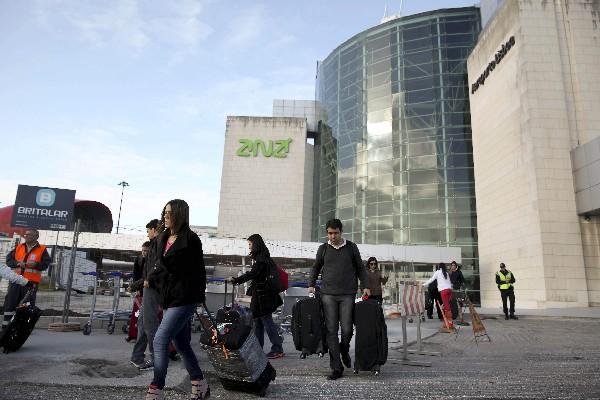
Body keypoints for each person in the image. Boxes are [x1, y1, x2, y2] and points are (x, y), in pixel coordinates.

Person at [144, 200, 208, 400]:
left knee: (160, 339)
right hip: (169, 297)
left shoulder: (190, 239)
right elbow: (155, 265)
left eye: (170, 213)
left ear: (180, 214)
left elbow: (196, 271)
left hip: (185, 298)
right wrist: (146, 280)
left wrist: (199, 297)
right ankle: (199, 384)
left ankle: (157, 388)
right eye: (165, 212)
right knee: (181, 344)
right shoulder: (162, 238)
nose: (166, 216)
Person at [308, 218, 369, 380]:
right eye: (329, 233)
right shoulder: (323, 249)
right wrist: (311, 284)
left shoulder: (351, 247)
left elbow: (360, 268)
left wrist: (366, 286)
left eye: (335, 233)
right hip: (328, 294)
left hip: (348, 293)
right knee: (331, 331)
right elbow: (316, 267)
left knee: (348, 329)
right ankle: (336, 367)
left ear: (341, 232)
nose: (332, 236)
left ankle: (344, 348)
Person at [230, 233, 284, 359]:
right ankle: (259, 349)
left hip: (264, 297)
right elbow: (256, 278)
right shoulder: (262, 257)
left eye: (250, 245)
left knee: (267, 322)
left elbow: (253, 274)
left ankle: (277, 348)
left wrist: (237, 280)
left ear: (256, 244)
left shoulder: (261, 259)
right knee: (258, 322)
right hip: (261, 296)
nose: (249, 247)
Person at [2, 229, 50, 329]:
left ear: (36, 237)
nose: (26, 236)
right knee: (10, 303)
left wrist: (36, 264)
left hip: (31, 283)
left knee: (27, 305)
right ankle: (6, 327)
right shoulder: (19, 247)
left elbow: (45, 264)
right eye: (25, 234)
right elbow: (9, 260)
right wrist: (17, 263)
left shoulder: (42, 249)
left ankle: (23, 328)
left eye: (28, 234)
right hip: (15, 281)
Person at [128, 241, 150, 367]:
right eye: (143, 251)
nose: (144, 253)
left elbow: (148, 277)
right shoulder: (140, 259)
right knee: (144, 324)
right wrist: (136, 287)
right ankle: (138, 356)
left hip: (152, 294)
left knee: (146, 325)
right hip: (144, 292)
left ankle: (138, 356)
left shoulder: (154, 260)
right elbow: (138, 275)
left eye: (146, 251)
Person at [423, 263, 454, 331]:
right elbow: (450, 283)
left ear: (439, 267)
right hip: (449, 291)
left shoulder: (438, 272)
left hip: (444, 291)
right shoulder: (446, 273)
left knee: (447, 308)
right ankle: (448, 323)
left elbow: (431, 279)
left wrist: (423, 284)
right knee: (447, 307)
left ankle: (449, 324)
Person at [449, 261, 469, 326]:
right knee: (452, 304)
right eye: (452, 265)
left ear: (456, 266)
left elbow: (463, 280)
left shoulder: (459, 272)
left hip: (458, 291)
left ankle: (461, 318)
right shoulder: (449, 273)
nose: (453, 266)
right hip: (451, 291)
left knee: (459, 305)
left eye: (454, 265)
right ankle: (453, 317)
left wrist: (464, 288)